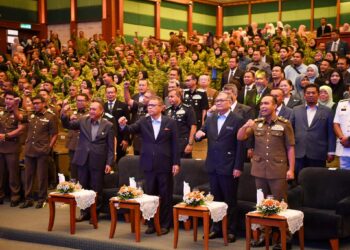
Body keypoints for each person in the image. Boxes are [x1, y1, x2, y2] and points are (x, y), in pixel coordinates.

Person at [237, 95, 295, 249]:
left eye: (266, 103)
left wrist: (291, 169)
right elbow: (240, 137)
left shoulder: (284, 124)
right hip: (259, 169)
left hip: (278, 169)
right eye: (261, 104)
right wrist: (245, 126)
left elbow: (290, 147)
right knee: (261, 203)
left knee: (280, 203)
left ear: (275, 105)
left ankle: (285, 237)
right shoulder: (256, 124)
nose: (262, 106)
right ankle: (265, 235)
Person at [118, 96, 180, 235]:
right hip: (148, 164)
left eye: (153, 105)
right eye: (148, 105)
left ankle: (165, 224)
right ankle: (152, 224)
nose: (149, 107)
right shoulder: (143, 121)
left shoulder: (170, 122)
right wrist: (122, 125)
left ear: (161, 107)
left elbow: (176, 144)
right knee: (150, 196)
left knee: (165, 195)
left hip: (165, 164)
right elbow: (130, 129)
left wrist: (176, 162)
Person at [195, 92, 245, 243]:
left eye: (222, 100)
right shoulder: (211, 118)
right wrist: (198, 134)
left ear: (230, 102)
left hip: (229, 166)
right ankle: (216, 228)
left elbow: (241, 146)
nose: (218, 103)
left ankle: (230, 230)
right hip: (213, 165)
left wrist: (238, 166)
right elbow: (201, 134)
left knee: (230, 200)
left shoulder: (237, 120)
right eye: (217, 100)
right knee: (215, 200)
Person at [61, 99, 115, 221]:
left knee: (97, 188)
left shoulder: (108, 125)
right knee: (83, 187)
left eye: (94, 109)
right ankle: (84, 212)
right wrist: (64, 114)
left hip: (98, 161)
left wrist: (109, 163)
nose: (91, 111)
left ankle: (95, 213)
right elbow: (67, 125)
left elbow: (111, 147)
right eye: (90, 109)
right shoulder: (82, 121)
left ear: (101, 111)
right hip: (83, 159)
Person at [18, 95, 58, 209]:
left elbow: (54, 134)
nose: (35, 105)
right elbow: (19, 117)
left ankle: (42, 198)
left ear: (44, 103)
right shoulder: (30, 114)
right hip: (29, 149)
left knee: (42, 176)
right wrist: (16, 105)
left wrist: (49, 148)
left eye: (37, 103)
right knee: (28, 176)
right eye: (34, 103)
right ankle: (28, 199)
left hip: (42, 150)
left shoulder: (50, 117)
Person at [290, 84, 336, 177]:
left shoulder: (327, 111)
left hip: (318, 152)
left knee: (317, 181)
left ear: (318, 94)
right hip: (299, 152)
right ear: (304, 95)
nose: (311, 95)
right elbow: (290, 130)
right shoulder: (296, 110)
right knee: (298, 181)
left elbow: (331, 132)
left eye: (313, 93)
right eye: (308, 93)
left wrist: (331, 151)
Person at [0, 91, 25, 207]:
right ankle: (0, 195)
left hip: (12, 147)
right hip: (0, 147)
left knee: (13, 174)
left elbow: (20, 129)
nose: (8, 101)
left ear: (15, 100)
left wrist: (6, 136)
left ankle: (15, 196)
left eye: (11, 99)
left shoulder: (20, 113)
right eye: (7, 98)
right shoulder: (1, 111)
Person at [64, 93, 89, 180]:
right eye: (78, 100)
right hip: (73, 143)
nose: (79, 102)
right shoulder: (71, 112)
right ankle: (74, 185)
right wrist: (64, 112)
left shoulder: (90, 113)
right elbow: (64, 123)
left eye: (82, 101)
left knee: (84, 166)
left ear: (87, 102)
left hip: (85, 144)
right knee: (73, 166)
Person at [165, 89, 196, 158]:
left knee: (184, 166)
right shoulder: (167, 110)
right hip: (170, 144)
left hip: (183, 143)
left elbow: (193, 127)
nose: (169, 99)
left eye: (172, 96)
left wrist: (190, 144)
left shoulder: (188, 109)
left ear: (179, 97)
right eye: (169, 97)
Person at [104, 85, 130, 162]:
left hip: (120, 137)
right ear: (106, 94)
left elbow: (128, 123)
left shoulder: (123, 105)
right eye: (108, 93)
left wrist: (126, 139)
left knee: (120, 160)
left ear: (116, 93)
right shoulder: (102, 106)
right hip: (105, 138)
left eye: (112, 92)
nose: (110, 94)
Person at [333, 98, 350, 169]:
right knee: (344, 176)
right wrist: (342, 138)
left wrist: (349, 140)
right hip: (344, 147)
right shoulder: (341, 104)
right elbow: (336, 123)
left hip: (346, 142)